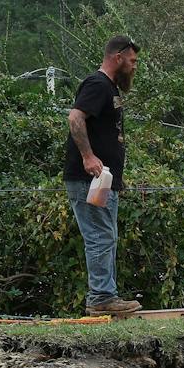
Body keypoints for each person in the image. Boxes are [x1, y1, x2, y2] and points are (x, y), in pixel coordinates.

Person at [64, 35, 142, 316]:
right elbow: (75, 117)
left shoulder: (109, 88)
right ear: (118, 57)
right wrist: (88, 156)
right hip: (89, 180)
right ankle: (101, 298)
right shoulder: (97, 84)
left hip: (102, 181)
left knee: (106, 236)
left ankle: (105, 296)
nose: (134, 67)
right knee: (100, 236)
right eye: (132, 61)